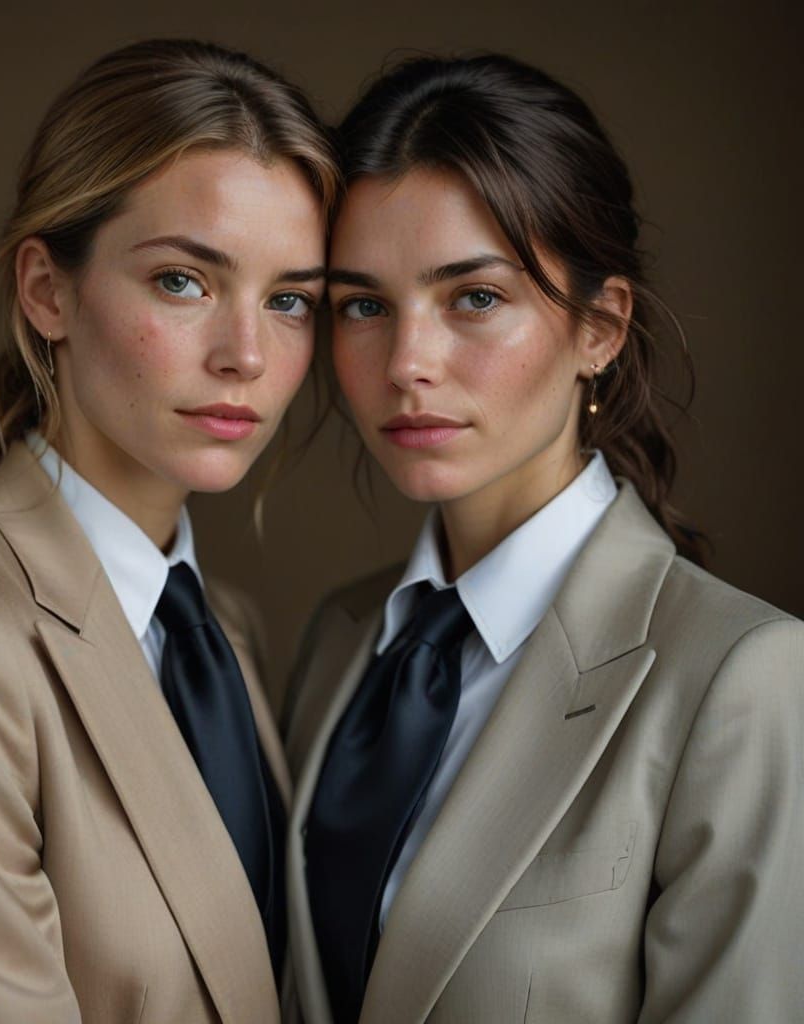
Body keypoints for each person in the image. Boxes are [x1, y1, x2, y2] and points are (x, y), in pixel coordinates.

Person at [0, 39, 337, 1024]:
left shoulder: (222, 632)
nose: (246, 354)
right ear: (46, 290)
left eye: (288, 301)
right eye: (183, 280)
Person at [283, 54, 803, 1024]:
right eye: (364, 305)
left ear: (599, 326)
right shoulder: (340, 641)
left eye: (474, 297)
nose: (407, 363)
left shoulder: (742, 678)